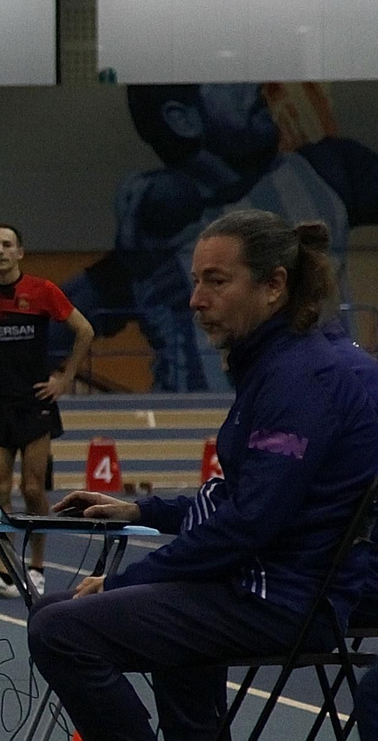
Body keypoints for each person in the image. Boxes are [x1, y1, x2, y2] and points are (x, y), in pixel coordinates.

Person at [28, 210, 378, 741]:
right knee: (92, 604)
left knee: (59, 629)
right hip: (275, 583)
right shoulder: (291, 362)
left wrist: (128, 580)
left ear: (273, 286)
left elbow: (248, 523)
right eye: (195, 282)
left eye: (216, 281)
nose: (195, 300)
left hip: (285, 599)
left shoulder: (302, 379)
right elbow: (246, 496)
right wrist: (146, 510)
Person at [57, 83, 378, 391]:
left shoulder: (327, 171)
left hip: (316, 398)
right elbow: (48, 324)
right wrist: (131, 263)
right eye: (227, 83)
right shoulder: (156, 227)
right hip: (195, 419)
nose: (253, 87)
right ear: (182, 119)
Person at [0, 224, 94, 598]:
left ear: (19, 253)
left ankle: (37, 568)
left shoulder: (41, 290)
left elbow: (85, 330)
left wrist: (65, 378)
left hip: (34, 404)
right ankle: (5, 572)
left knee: (31, 489)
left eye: (6, 245)